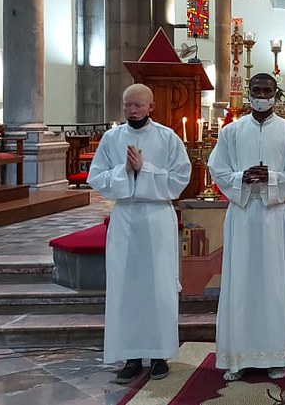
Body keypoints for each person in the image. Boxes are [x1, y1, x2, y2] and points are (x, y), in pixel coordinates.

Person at [208, 73, 285, 382]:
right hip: (242, 215)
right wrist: (241, 177)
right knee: (239, 283)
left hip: (272, 214)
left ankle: (275, 354)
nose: (262, 95)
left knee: (273, 284)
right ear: (249, 94)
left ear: (275, 94)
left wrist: (273, 179)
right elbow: (217, 167)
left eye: (267, 90)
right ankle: (237, 357)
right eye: (257, 90)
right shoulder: (231, 132)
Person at [88, 83, 191, 384]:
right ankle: (131, 356)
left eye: (137, 105)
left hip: (157, 217)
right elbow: (97, 176)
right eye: (127, 105)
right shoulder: (112, 138)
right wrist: (125, 171)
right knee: (127, 286)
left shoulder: (167, 137)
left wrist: (144, 169)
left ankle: (159, 355)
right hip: (126, 218)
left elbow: (180, 178)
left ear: (151, 106)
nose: (131, 110)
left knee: (158, 285)